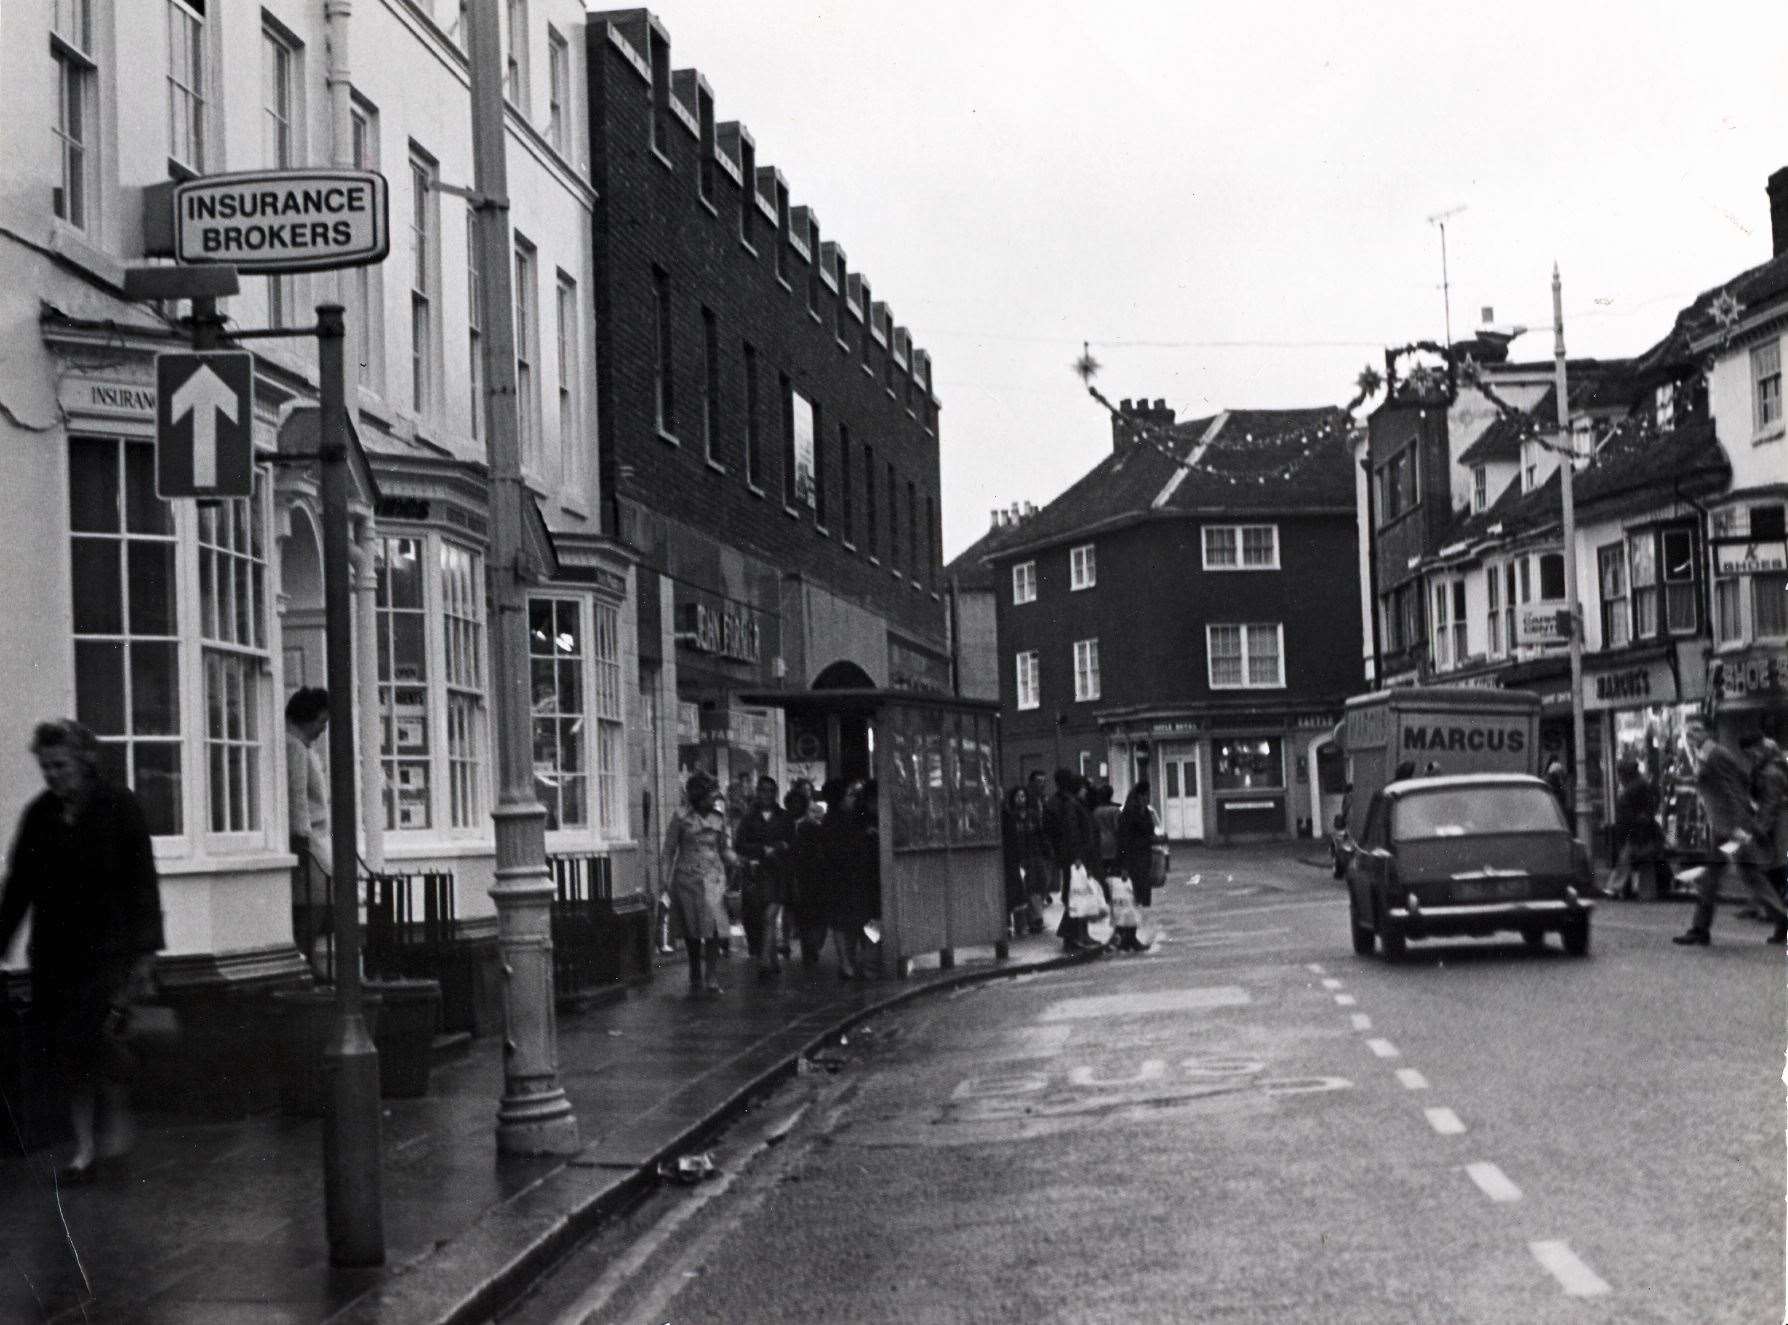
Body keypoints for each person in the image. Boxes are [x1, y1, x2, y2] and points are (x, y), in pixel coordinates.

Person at [0, 720, 165, 1181]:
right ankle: (85, 1149)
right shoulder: (39, 815)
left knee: (98, 1040)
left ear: (84, 761)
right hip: (55, 952)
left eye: (60, 765)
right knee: (69, 1052)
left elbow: (142, 882)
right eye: (46, 767)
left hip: (110, 951)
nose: (52, 776)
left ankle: (114, 1130)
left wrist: (147, 952)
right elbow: (19, 886)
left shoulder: (119, 807)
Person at [1673, 715, 1788, 946]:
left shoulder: (1716, 754)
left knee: (1717, 877)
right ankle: (1782, 919)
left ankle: (1700, 929)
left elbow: (1735, 790)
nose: (1691, 734)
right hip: (1724, 827)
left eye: (1696, 729)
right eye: (1689, 730)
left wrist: (1741, 826)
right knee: (1749, 877)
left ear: (1708, 731)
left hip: (1729, 830)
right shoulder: (1705, 754)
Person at [661, 772, 737, 994]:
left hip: (714, 877)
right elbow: (668, 850)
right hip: (687, 878)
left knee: (713, 926)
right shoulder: (681, 816)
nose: (715, 799)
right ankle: (695, 970)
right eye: (710, 794)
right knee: (692, 928)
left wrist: (736, 860)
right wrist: (665, 880)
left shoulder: (719, 818)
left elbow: (724, 847)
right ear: (699, 796)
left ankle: (711, 975)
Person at [285, 688, 331, 964]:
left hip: (315, 836)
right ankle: (305, 958)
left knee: (320, 901)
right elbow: (297, 795)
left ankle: (309, 956)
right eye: (321, 722)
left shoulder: (302, 747)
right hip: (307, 837)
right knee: (317, 901)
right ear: (307, 717)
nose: (323, 730)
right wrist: (301, 837)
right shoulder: (295, 747)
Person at [734, 775, 795, 975]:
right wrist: (761, 850)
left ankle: (764, 959)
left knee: (770, 915)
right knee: (761, 916)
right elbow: (739, 844)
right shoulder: (748, 818)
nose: (766, 794)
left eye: (770, 791)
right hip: (757, 873)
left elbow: (793, 844)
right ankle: (772, 958)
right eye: (762, 790)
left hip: (779, 872)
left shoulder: (784, 817)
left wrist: (781, 847)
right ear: (757, 792)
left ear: (775, 793)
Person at [823, 779, 877, 980]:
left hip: (844, 878)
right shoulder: (840, 822)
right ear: (839, 799)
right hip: (847, 877)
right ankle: (853, 961)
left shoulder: (844, 819)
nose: (853, 799)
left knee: (845, 922)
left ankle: (849, 961)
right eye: (849, 795)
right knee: (852, 921)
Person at [1043, 769, 1100, 952]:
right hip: (1075, 858)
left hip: (1074, 856)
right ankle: (1072, 937)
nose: (1086, 790)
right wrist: (1077, 857)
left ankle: (1079, 935)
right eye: (1083, 787)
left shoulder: (1072, 802)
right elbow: (1073, 832)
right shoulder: (1071, 804)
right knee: (1076, 896)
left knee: (1079, 896)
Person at [1742, 733, 1788, 943]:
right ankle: (1780, 924)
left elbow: (1770, 804)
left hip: (1778, 827)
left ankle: (1781, 924)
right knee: (1775, 875)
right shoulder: (1768, 767)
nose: (1750, 757)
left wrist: (1759, 829)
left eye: (1751, 753)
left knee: (1775, 874)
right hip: (1775, 825)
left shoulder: (1770, 772)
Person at [1606, 758, 1664, 901]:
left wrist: (1628, 827)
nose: (1619, 778)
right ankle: (1647, 893)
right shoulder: (1643, 785)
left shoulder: (1630, 789)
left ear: (1626, 774)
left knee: (1625, 859)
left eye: (1620, 774)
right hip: (1647, 830)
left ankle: (1614, 888)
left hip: (1635, 831)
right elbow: (1653, 804)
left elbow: (1625, 814)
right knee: (1645, 862)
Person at [785, 785, 830, 965]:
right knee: (802, 915)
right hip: (795, 873)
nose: (795, 807)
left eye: (798, 803)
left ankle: (812, 947)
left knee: (812, 914)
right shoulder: (786, 826)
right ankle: (808, 949)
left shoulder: (811, 826)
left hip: (811, 874)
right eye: (792, 803)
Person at [1117, 780, 1159, 912]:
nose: (1147, 798)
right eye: (1145, 795)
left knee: (1145, 890)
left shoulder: (1145, 812)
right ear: (1138, 796)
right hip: (1132, 857)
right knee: (1135, 891)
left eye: (1148, 795)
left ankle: (1144, 916)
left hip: (1144, 855)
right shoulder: (1129, 813)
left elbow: (1150, 830)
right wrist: (1123, 865)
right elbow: (1123, 839)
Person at [1092, 784, 1122, 890]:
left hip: (1100, 844)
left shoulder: (1095, 811)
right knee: (1114, 874)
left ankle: (1105, 893)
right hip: (1113, 844)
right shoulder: (1115, 810)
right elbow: (1118, 828)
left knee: (1102, 873)